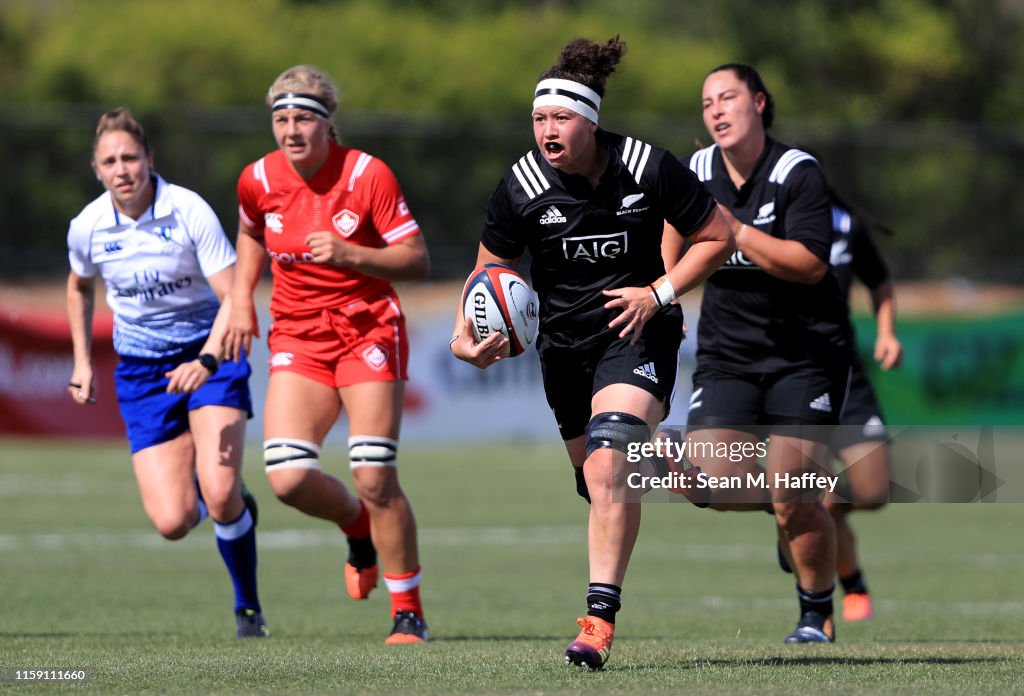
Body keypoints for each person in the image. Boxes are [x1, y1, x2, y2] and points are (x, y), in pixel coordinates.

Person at [451, 37, 734, 670]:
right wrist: (465, 338)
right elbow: (488, 271)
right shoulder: (521, 185)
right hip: (563, 351)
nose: (547, 130)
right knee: (598, 482)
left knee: (609, 464)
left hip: (638, 333)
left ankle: (598, 621)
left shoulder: (647, 166)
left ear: (591, 121)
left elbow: (718, 235)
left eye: (561, 118)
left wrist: (658, 294)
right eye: (538, 118)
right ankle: (669, 467)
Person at [225, 65, 430, 644]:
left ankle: (408, 610)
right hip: (297, 335)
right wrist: (241, 299)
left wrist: (350, 253)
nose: (291, 130)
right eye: (281, 118)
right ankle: (357, 528)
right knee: (287, 478)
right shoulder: (257, 178)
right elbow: (249, 233)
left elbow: (415, 259)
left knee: (373, 474)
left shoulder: (368, 175)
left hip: (367, 331)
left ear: (327, 124)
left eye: (303, 118)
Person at [66, 107, 267, 639]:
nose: (121, 168)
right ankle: (219, 492)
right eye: (109, 160)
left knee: (221, 495)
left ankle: (247, 609)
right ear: (96, 168)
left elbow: (234, 297)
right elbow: (79, 286)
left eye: (130, 156)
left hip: (211, 354)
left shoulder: (187, 210)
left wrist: (204, 360)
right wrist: (83, 361)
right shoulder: (88, 226)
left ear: (149, 159)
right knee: (173, 522)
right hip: (141, 374)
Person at [680, 63, 859, 643]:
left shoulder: (797, 172)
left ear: (759, 103)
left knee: (795, 492)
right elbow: (671, 237)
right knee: (707, 481)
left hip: (805, 356)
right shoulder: (697, 169)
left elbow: (810, 265)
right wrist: (660, 294)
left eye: (727, 97)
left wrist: (735, 231)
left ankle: (816, 614)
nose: (715, 110)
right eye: (707, 102)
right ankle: (789, 505)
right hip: (728, 354)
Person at [821, 188, 902, 621]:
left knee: (872, 490)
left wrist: (887, 333)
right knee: (801, 494)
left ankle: (820, 512)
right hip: (784, 374)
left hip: (846, 374)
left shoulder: (846, 224)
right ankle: (839, 594)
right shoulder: (759, 217)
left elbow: (879, 279)